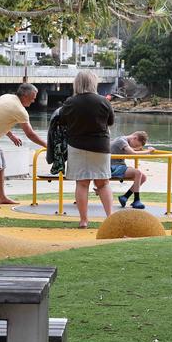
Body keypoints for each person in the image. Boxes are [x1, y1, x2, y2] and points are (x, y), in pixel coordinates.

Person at [59, 71, 115, 228]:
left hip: (77, 146)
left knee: (82, 184)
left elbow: (62, 120)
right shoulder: (103, 102)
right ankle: (110, 217)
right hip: (101, 146)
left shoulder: (70, 102)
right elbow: (110, 122)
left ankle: (84, 220)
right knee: (103, 183)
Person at [0, 82, 47, 209]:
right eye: (33, 97)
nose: (34, 100)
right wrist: (47, 145)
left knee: (1, 165)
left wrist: (11, 136)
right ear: (24, 95)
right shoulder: (19, 110)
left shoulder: (6, 97)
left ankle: (1, 197)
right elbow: (30, 134)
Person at [110, 130, 153, 209]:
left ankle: (125, 197)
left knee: (143, 178)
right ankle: (136, 200)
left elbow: (133, 150)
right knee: (138, 173)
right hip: (112, 167)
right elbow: (133, 153)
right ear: (135, 138)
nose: (135, 147)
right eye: (136, 145)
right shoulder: (121, 141)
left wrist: (141, 149)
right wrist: (148, 151)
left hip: (118, 166)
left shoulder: (124, 142)